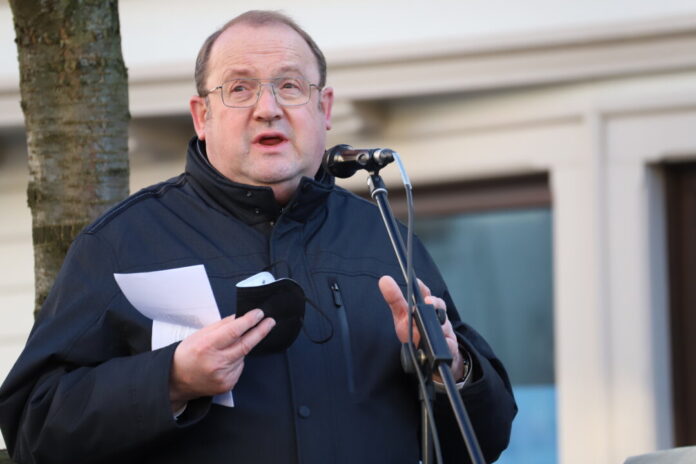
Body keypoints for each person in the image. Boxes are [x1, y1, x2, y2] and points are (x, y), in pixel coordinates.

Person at [0, 10, 516, 464]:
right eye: (240, 88)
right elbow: (32, 427)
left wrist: (452, 366)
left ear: (325, 107)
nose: (268, 107)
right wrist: (171, 380)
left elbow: (488, 437)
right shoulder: (124, 243)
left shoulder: (383, 236)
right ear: (202, 115)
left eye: (290, 86)